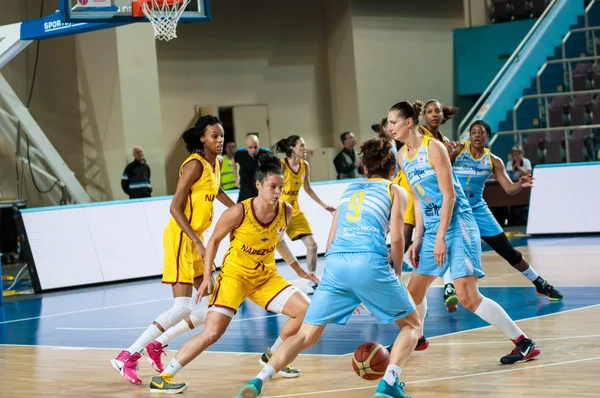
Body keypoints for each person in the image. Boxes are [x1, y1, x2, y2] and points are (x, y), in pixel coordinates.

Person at [236, 136, 420, 398]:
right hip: (368, 260)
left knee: (305, 335)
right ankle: (389, 384)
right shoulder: (395, 190)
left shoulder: (349, 190)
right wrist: (397, 274)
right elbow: (399, 237)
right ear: (394, 170)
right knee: (412, 326)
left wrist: (347, 287)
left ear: (364, 169)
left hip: (336, 264)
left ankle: (259, 379)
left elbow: (330, 240)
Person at [148, 152, 319, 394]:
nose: (277, 192)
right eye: (272, 187)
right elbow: (214, 241)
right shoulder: (239, 212)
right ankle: (164, 377)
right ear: (258, 185)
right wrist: (207, 277)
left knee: (305, 311)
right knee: (212, 333)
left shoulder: (285, 210)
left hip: (265, 277)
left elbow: (279, 241)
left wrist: (299, 270)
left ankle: (273, 353)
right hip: (234, 277)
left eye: (281, 187)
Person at [389, 100, 541, 364]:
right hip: (434, 227)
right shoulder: (403, 156)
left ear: (409, 122)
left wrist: (439, 239)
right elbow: (418, 199)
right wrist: (419, 238)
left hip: (458, 223)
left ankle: (524, 343)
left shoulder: (433, 148)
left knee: (467, 296)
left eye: (393, 122)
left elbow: (448, 196)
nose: (389, 127)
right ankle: (418, 337)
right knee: (414, 291)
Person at [110, 116, 236, 385]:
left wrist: (239, 210)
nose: (219, 139)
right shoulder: (193, 165)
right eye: (214, 135)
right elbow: (174, 208)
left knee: (212, 306)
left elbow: (217, 190)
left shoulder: (219, 163)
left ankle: (158, 344)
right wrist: (199, 243)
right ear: (201, 138)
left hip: (197, 238)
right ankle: (127, 355)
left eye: (221, 135)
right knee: (182, 307)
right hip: (182, 236)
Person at [450, 120, 562, 300]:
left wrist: (520, 184)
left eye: (481, 132)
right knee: (449, 248)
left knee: (509, 252)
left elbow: (509, 189)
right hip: (455, 210)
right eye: (473, 132)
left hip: (478, 210)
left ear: (488, 136)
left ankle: (539, 283)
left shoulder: (494, 161)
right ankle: (449, 287)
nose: (477, 135)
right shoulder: (457, 151)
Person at [274, 135, 336, 294]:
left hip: (295, 212)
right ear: (292, 148)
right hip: (278, 212)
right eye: (301, 146)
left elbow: (308, 189)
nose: (304, 148)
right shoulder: (281, 166)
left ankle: (312, 281)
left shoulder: (304, 166)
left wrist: (324, 205)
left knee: (312, 245)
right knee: (269, 249)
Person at [234, 135, 271, 202]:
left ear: (259, 145)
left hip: (261, 189)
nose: (253, 150)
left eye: (255, 147)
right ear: (246, 147)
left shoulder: (266, 154)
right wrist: (236, 178)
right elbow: (234, 162)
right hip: (245, 189)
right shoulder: (240, 154)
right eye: (250, 147)